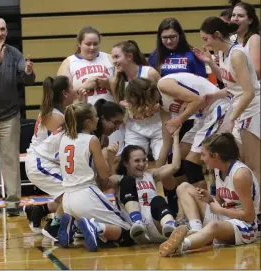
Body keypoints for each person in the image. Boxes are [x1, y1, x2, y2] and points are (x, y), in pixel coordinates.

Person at [124, 73, 232, 194]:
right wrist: (157, 172)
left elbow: (198, 100)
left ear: (142, 97)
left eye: (140, 105)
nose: (143, 110)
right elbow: (166, 141)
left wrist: (179, 120)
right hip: (204, 116)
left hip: (218, 107)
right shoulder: (162, 106)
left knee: (191, 164)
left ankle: (205, 206)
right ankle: (182, 199)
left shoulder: (164, 85)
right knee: (177, 158)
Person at [159, 133, 260, 257]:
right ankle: (196, 229)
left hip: (245, 226)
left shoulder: (240, 174)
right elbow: (220, 202)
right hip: (225, 216)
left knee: (214, 225)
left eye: (203, 154)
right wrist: (210, 199)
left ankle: (182, 245)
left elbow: (249, 216)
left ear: (215, 156)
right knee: (183, 187)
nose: (201, 159)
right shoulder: (218, 169)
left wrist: (220, 210)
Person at [0, 17, 35, 218]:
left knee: (10, 159)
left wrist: (28, 72)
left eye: (2, 29)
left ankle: (12, 203)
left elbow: (28, 78)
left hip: (10, 115)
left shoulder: (14, 52)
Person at [57, 102, 134, 251]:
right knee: (128, 232)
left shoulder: (64, 138)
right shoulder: (92, 140)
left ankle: (73, 224)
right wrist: (110, 156)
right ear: (88, 122)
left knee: (108, 232)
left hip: (66, 199)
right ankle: (95, 227)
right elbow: (105, 175)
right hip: (86, 195)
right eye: (95, 117)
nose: (98, 119)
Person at [199, 16, 260, 190]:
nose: (205, 44)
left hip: (252, 110)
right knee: (239, 162)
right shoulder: (222, 53)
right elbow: (231, 85)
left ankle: (255, 213)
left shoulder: (237, 54)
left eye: (206, 39)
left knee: (254, 165)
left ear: (217, 35)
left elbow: (249, 92)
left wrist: (232, 118)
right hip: (240, 110)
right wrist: (210, 63)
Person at [112, 126, 181, 243]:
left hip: (156, 219)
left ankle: (170, 226)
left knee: (158, 200)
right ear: (125, 163)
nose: (142, 164)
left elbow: (175, 166)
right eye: (137, 161)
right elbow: (103, 181)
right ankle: (138, 223)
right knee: (128, 181)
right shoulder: (119, 179)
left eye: (144, 160)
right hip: (135, 225)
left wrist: (175, 137)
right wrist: (109, 157)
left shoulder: (150, 175)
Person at [24, 75, 74, 234]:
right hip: (40, 163)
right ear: (65, 93)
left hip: (44, 161)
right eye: (72, 87)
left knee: (74, 192)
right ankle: (55, 228)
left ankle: (40, 210)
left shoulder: (57, 111)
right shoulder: (56, 117)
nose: (76, 89)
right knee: (72, 193)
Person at [148, 18, 207, 140]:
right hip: (167, 111)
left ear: (180, 35)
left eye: (172, 37)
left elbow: (202, 83)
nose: (169, 41)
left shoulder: (192, 54)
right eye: (165, 38)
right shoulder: (155, 56)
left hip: (191, 110)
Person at [111, 40, 163, 162]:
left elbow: (165, 101)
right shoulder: (116, 81)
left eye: (117, 57)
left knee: (161, 160)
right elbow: (119, 107)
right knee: (132, 162)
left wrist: (147, 107)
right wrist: (123, 106)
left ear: (129, 56)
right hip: (134, 127)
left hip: (157, 125)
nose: (114, 61)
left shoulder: (149, 73)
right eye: (112, 57)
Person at [57, 26, 114, 105]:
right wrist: (84, 86)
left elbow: (124, 89)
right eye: (88, 44)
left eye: (95, 44)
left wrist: (109, 85)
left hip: (109, 112)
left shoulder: (109, 58)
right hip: (82, 113)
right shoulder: (69, 62)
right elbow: (61, 94)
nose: (92, 47)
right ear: (79, 44)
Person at [229, 0, 260, 79]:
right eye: (233, 15)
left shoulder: (254, 39)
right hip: (236, 88)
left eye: (240, 16)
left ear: (250, 20)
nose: (235, 19)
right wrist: (211, 62)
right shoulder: (232, 38)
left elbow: (257, 72)